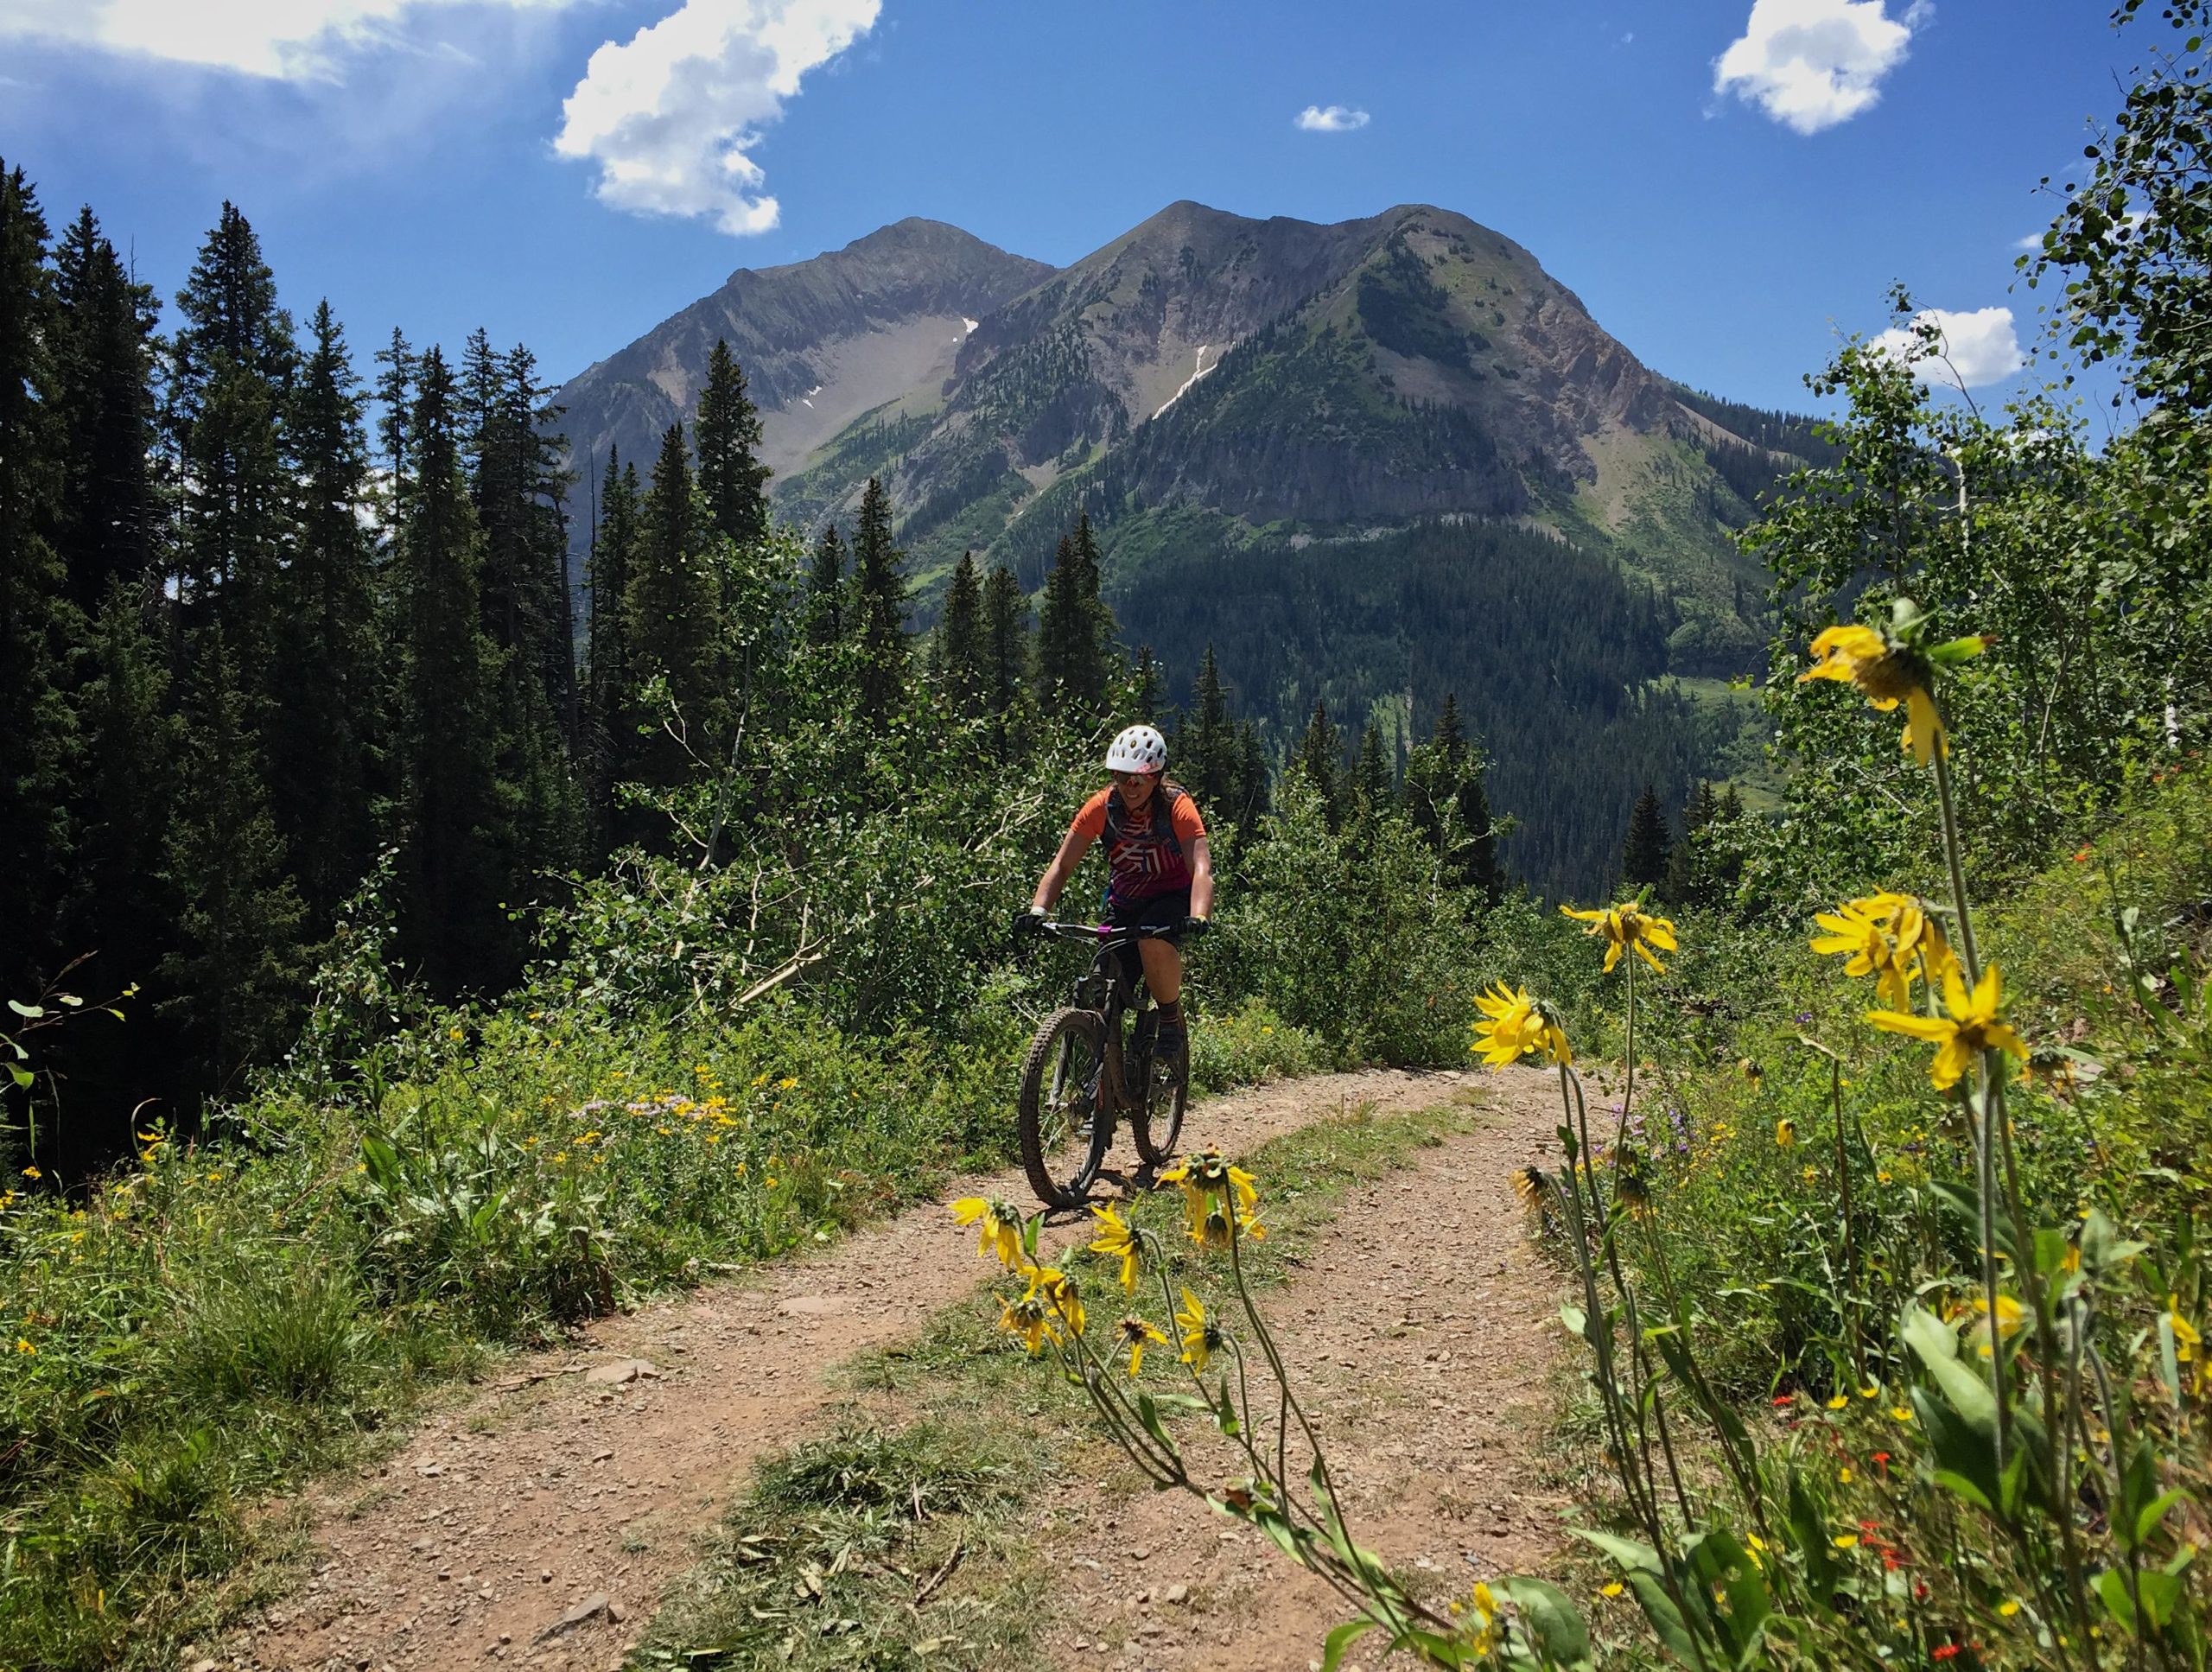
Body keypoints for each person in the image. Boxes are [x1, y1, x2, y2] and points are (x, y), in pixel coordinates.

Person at [1015, 724, 1214, 1059]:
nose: (1129, 786)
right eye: (1121, 778)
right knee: (1101, 989)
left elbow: (1201, 868)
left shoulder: (1176, 807)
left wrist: (1199, 916)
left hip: (1172, 899)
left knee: (1152, 942)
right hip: (1124, 902)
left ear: (1156, 777)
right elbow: (1062, 865)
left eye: (1139, 778)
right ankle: (1105, 1088)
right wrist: (1039, 911)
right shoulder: (1101, 808)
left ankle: (1169, 1020)